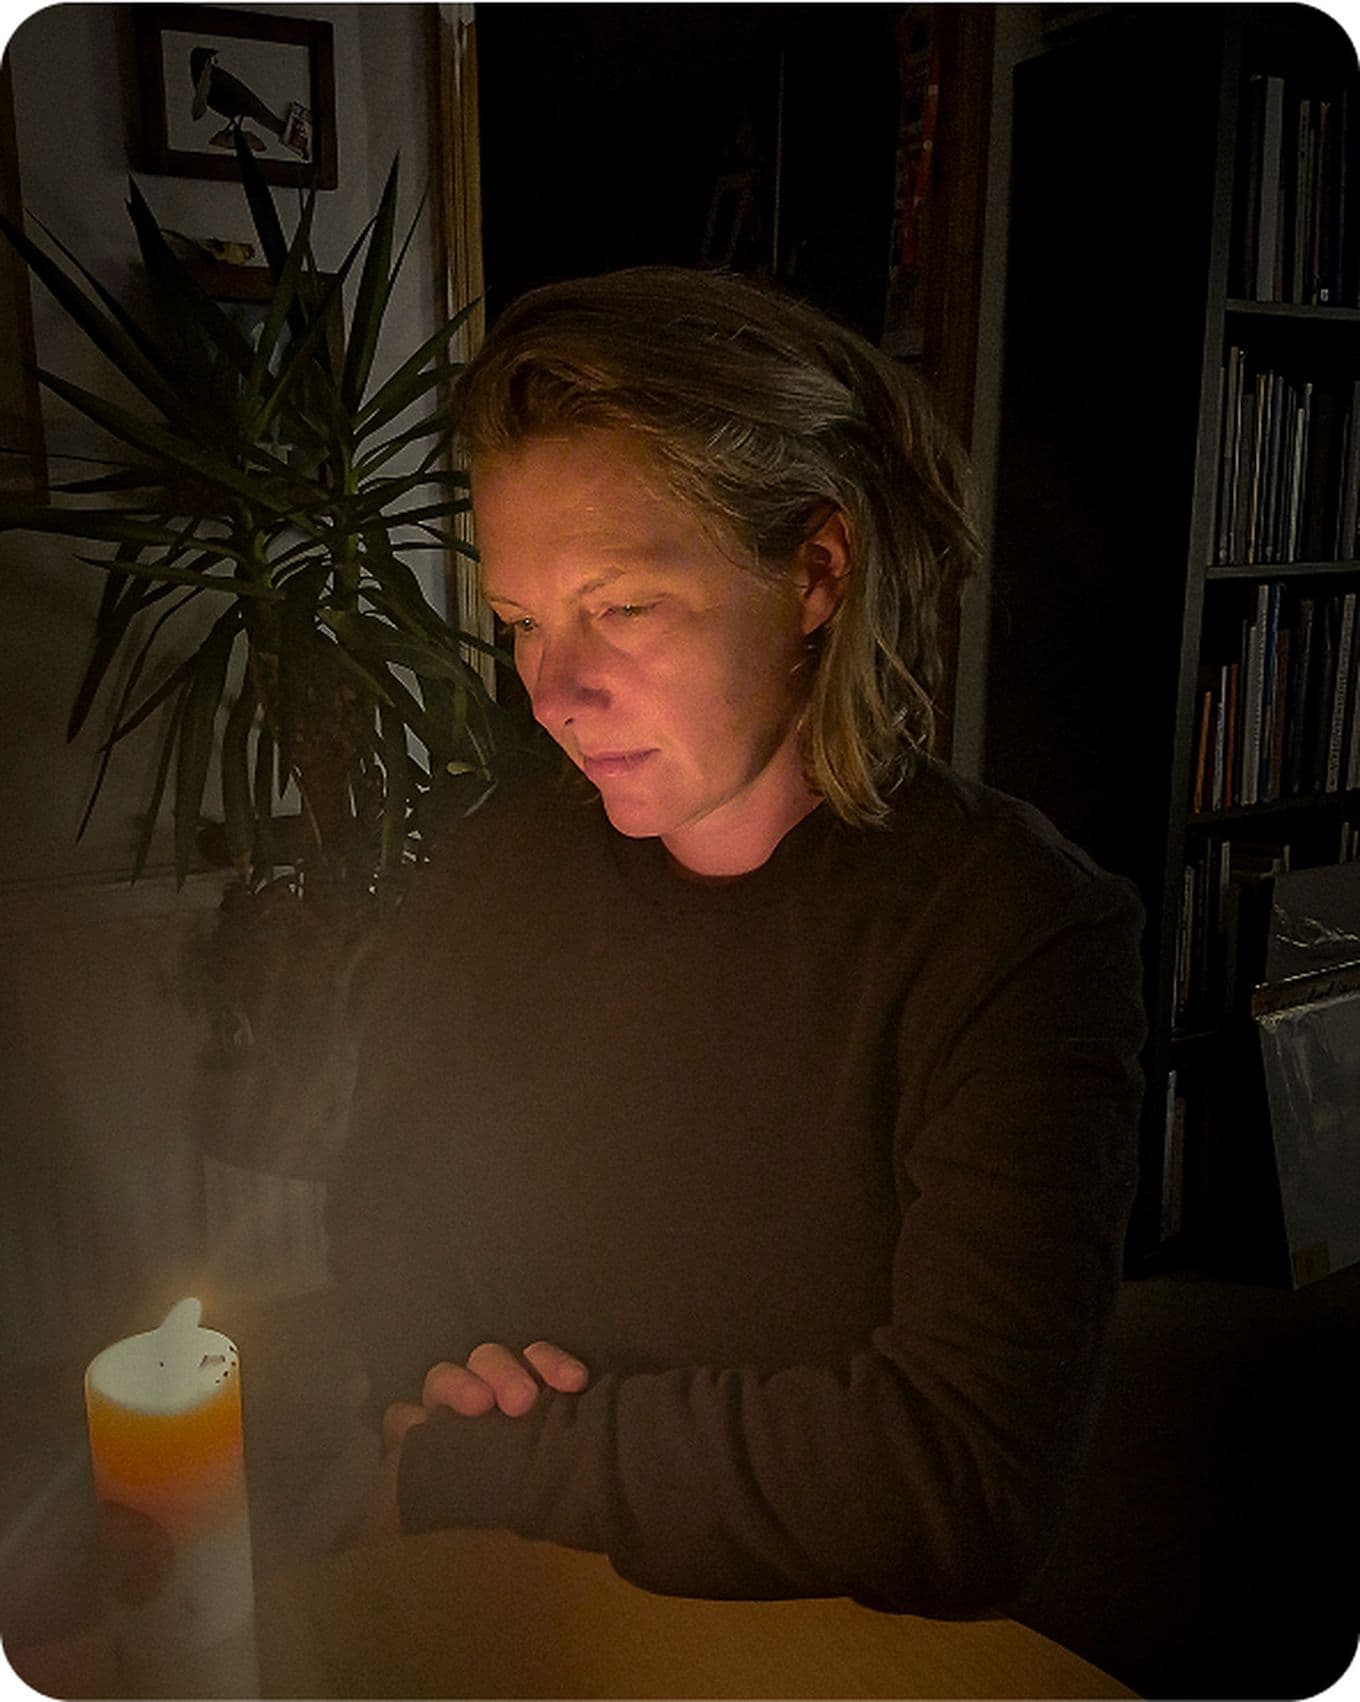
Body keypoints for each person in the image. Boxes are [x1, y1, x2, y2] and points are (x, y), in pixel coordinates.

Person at [325, 264, 1146, 1616]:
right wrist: (451, 1395)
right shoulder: (493, 880)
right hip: (522, 1619)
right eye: (523, 625)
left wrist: (514, 1460)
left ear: (816, 571)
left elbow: (955, 1480)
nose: (553, 694)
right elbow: (384, 1243)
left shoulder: (1017, 938)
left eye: (624, 608)